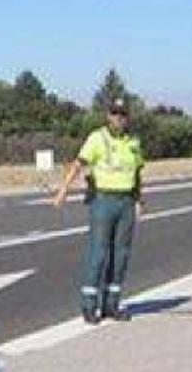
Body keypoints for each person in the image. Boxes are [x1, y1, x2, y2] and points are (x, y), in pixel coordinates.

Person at [53, 98, 144, 323]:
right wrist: (63, 190)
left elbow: (137, 172)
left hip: (126, 201)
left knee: (121, 253)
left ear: (127, 118)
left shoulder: (133, 142)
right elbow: (79, 164)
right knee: (99, 252)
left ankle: (111, 304)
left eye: (122, 115)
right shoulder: (97, 138)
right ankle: (89, 304)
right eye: (114, 114)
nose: (118, 119)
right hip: (103, 200)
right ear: (108, 116)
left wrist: (139, 199)